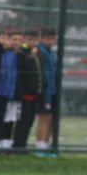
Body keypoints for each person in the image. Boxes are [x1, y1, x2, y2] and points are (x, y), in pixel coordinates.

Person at [12, 29, 42, 151]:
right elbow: (22, 71)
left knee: (29, 121)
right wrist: (31, 58)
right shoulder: (21, 53)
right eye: (29, 39)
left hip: (33, 94)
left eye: (34, 40)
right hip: (24, 94)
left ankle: (23, 146)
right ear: (24, 39)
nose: (32, 42)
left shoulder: (37, 53)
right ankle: (18, 146)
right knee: (22, 122)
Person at [0, 27, 18, 151]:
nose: (5, 41)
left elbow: (12, 75)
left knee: (3, 120)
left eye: (7, 38)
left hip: (5, 93)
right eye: (2, 38)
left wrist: (10, 91)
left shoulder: (12, 55)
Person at [34, 26, 58, 155]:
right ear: (41, 39)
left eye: (52, 38)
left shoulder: (51, 53)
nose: (50, 41)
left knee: (50, 119)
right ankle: (40, 146)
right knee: (43, 118)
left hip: (52, 90)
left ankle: (46, 144)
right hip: (44, 91)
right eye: (47, 38)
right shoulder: (39, 52)